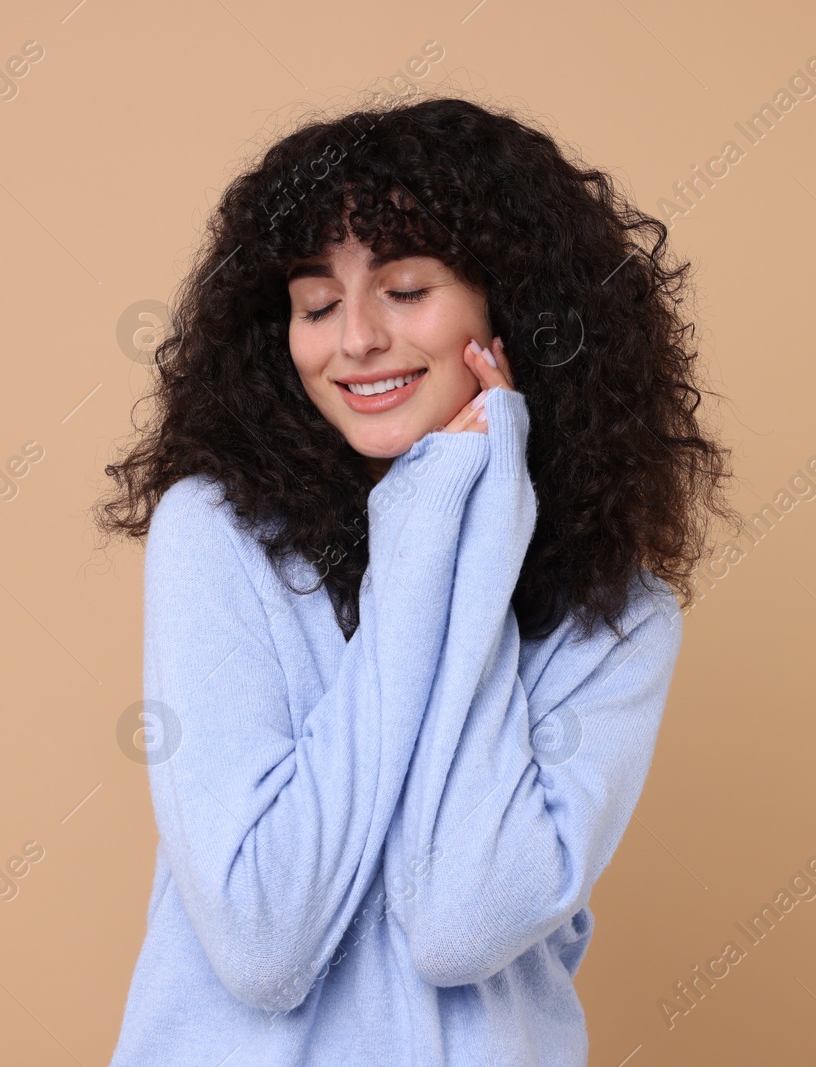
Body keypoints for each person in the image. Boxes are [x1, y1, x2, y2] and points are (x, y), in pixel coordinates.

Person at [94, 93, 733, 1066]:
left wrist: (475, 540)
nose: (353, 339)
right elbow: (263, 937)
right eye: (315, 303)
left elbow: (457, 922)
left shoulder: (617, 619)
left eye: (403, 291)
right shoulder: (218, 536)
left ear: (508, 306)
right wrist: (424, 529)